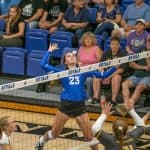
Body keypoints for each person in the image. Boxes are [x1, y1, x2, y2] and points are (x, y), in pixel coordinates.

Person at [35, 43, 116, 150]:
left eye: (73, 55)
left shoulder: (83, 71)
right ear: (65, 62)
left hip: (80, 107)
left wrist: (115, 66)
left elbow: (103, 75)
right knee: (54, 134)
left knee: (89, 137)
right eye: (68, 56)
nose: (71, 57)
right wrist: (49, 51)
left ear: (77, 60)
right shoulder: (61, 72)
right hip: (65, 106)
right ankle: (41, 142)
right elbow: (43, 65)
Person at [99, 37, 127, 105]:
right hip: (106, 73)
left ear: (119, 45)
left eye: (116, 44)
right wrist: (103, 74)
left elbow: (121, 69)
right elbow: (100, 65)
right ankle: (95, 98)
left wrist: (109, 76)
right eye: (112, 44)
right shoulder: (106, 53)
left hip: (118, 74)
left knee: (116, 78)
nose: (114, 46)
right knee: (96, 77)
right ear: (110, 45)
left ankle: (113, 100)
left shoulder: (122, 54)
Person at [78, 32, 103, 103]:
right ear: (83, 40)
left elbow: (100, 62)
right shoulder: (81, 48)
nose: (88, 40)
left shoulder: (96, 48)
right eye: (86, 39)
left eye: (90, 39)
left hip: (93, 70)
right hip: (82, 70)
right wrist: (79, 64)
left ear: (93, 40)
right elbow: (78, 61)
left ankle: (90, 97)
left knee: (89, 80)